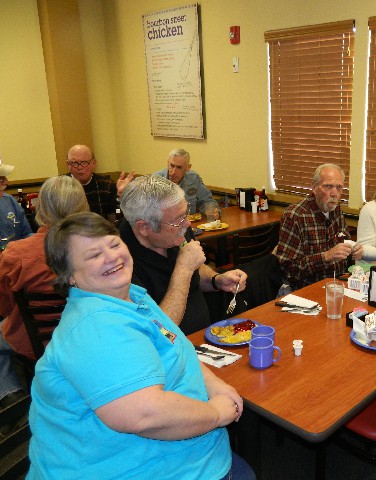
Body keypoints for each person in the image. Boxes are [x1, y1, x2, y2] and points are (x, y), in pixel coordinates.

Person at [26, 212, 254, 479]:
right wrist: (215, 414)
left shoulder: (133, 297)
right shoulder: (95, 328)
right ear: (70, 277)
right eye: (93, 255)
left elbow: (177, 347)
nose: (111, 257)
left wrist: (217, 386)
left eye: (113, 244)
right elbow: (145, 415)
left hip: (193, 456)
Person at [0, 176, 88, 410]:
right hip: (88, 340)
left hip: (34, 347)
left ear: (40, 206)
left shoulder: (15, 254)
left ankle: (12, 395)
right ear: (82, 206)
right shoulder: (102, 247)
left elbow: (3, 306)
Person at [119, 175, 246, 335]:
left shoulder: (178, 229)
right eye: (178, 219)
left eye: (185, 214)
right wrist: (183, 269)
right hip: (169, 354)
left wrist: (215, 280)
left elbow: (196, 270)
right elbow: (159, 332)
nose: (187, 224)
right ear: (144, 227)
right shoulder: (118, 264)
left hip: (203, 340)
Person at [275, 163, 364, 290]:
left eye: (339, 187)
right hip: (308, 289)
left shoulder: (336, 209)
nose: (334, 193)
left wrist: (354, 251)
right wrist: (325, 257)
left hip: (339, 283)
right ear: (314, 187)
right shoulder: (295, 216)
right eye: (328, 186)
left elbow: (344, 245)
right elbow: (288, 269)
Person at [66, 144, 134, 219]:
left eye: (84, 162)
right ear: (68, 165)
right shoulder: (59, 187)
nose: (79, 167)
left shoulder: (107, 186)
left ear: (93, 163)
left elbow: (117, 215)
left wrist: (122, 196)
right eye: (74, 163)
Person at [154, 148, 221, 219]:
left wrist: (213, 210)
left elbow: (206, 201)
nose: (173, 172)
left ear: (188, 168)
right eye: (172, 166)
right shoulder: (155, 181)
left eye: (179, 167)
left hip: (189, 225)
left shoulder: (193, 179)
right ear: (167, 163)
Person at [0, 156, 32, 250]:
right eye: (0, 178)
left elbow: (26, 233)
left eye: (4, 177)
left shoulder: (10, 201)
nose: (6, 181)